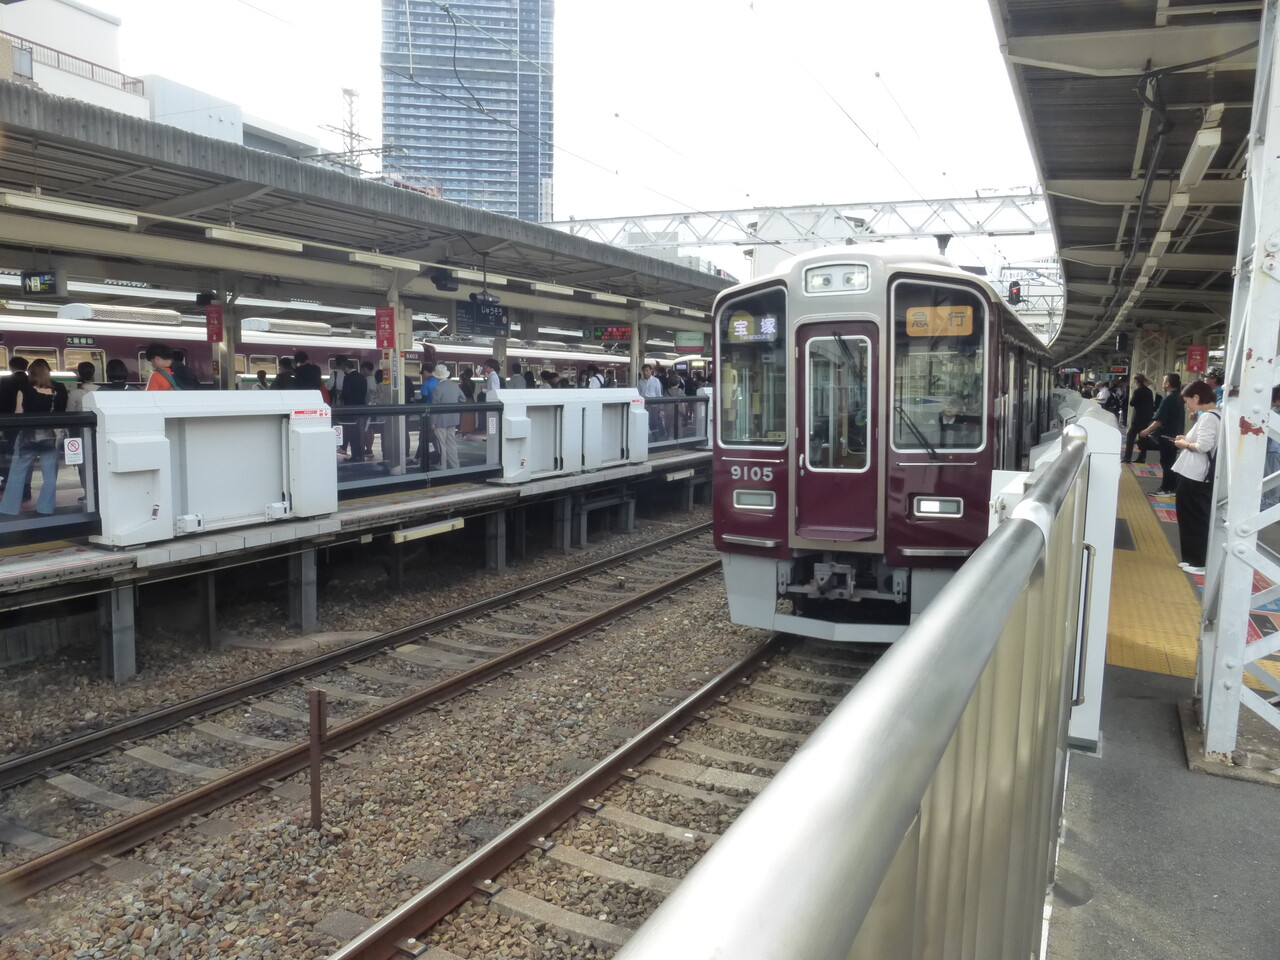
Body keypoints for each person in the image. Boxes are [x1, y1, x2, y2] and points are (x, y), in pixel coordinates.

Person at [0, 359, 67, 515]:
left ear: (31, 374)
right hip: (51, 437)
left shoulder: (25, 389)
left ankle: (9, 509)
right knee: (50, 476)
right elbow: (62, 412)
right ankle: (45, 508)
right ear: (48, 372)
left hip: (27, 437)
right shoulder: (60, 389)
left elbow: (18, 414)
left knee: (17, 474)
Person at [1171, 381, 1221, 575]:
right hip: (1197, 474)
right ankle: (1192, 559)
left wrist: (1184, 444)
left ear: (1197, 397)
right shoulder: (1217, 415)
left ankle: (1199, 562)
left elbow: (1203, 446)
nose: (1188, 406)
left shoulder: (1207, 417)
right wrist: (1186, 439)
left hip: (1195, 475)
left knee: (1193, 517)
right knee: (1193, 516)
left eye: (1188, 401)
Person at [1137, 373, 1184, 494]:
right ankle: (1172, 488)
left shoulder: (1168, 398)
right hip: (1175, 434)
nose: (1162, 383)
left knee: (1166, 462)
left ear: (1168, 384)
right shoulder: (1178, 397)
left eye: (1164, 381)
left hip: (1166, 435)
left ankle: (1166, 488)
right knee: (1170, 462)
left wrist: (1147, 430)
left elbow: (1159, 420)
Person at [66, 361, 100, 497]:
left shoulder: (75, 393)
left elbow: (70, 414)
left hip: (80, 433)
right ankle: (99, 492)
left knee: (83, 465)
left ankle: (88, 493)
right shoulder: (101, 391)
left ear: (79, 374)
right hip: (99, 432)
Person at [0, 357, 31, 503]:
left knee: (9, 454)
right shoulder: (31, 380)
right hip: (29, 425)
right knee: (26, 456)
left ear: (11, 367)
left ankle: (8, 482)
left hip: (9, 424)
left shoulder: (5, 381)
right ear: (26, 367)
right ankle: (26, 488)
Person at [429, 363, 464, 470]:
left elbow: (435, 407)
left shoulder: (437, 388)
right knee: (451, 443)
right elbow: (463, 399)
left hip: (440, 421)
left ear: (437, 376)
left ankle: (442, 465)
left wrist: (433, 422)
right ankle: (455, 465)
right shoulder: (455, 386)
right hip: (453, 419)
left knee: (441, 444)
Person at [1122, 374, 1155, 463]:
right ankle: (1142, 457)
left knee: (1130, 437)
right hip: (1146, 418)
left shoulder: (1138, 390)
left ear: (1136, 380)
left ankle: (1127, 457)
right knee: (1143, 437)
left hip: (1138, 418)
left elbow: (1132, 403)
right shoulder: (1149, 391)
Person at [339, 358, 367, 462]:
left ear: (345, 367)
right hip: (361, 408)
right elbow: (364, 392)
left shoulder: (348, 378)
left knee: (352, 433)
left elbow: (345, 394)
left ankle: (355, 456)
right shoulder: (362, 377)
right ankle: (361, 455)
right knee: (360, 433)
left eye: (343, 368)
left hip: (350, 409)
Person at [1265, 385, 1280, 511]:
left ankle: (1271, 504)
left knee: (1271, 476)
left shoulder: (1274, 412)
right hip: (1274, 448)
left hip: (1273, 448)